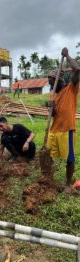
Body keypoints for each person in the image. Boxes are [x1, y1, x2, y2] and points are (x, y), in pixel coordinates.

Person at [47, 47, 80, 193]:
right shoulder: (53, 95)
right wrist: (51, 108)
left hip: (67, 130)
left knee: (69, 158)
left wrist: (67, 56)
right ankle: (48, 177)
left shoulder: (71, 89)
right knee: (48, 154)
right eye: (49, 82)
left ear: (59, 80)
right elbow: (54, 115)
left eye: (52, 81)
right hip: (54, 130)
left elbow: (77, 70)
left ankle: (67, 184)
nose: (50, 85)